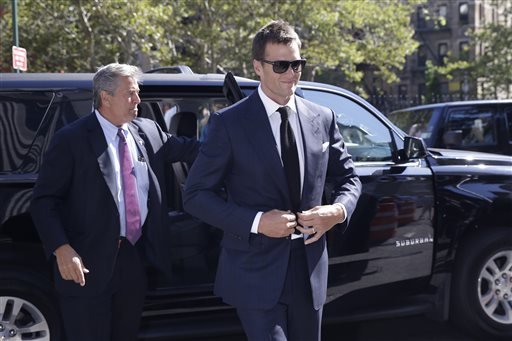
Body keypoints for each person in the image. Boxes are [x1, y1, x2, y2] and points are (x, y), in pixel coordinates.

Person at [183, 20, 361, 341]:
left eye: (297, 64)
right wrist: (256, 222)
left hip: (310, 269)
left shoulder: (322, 116)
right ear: (257, 67)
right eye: (281, 65)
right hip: (255, 271)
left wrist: (337, 212)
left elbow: (349, 178)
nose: (291, 73)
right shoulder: (229, 124)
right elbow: (195, 195)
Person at [30, 63, 199, 341]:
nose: (137, 100)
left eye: (137, 93)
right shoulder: (72, 140)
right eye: (130, 94)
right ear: (105, 98)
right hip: (85, 262)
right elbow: (44, 201)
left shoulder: (147, 131)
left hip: (133, 259)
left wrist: (234, 138)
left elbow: (192, 149)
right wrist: (61, 248)